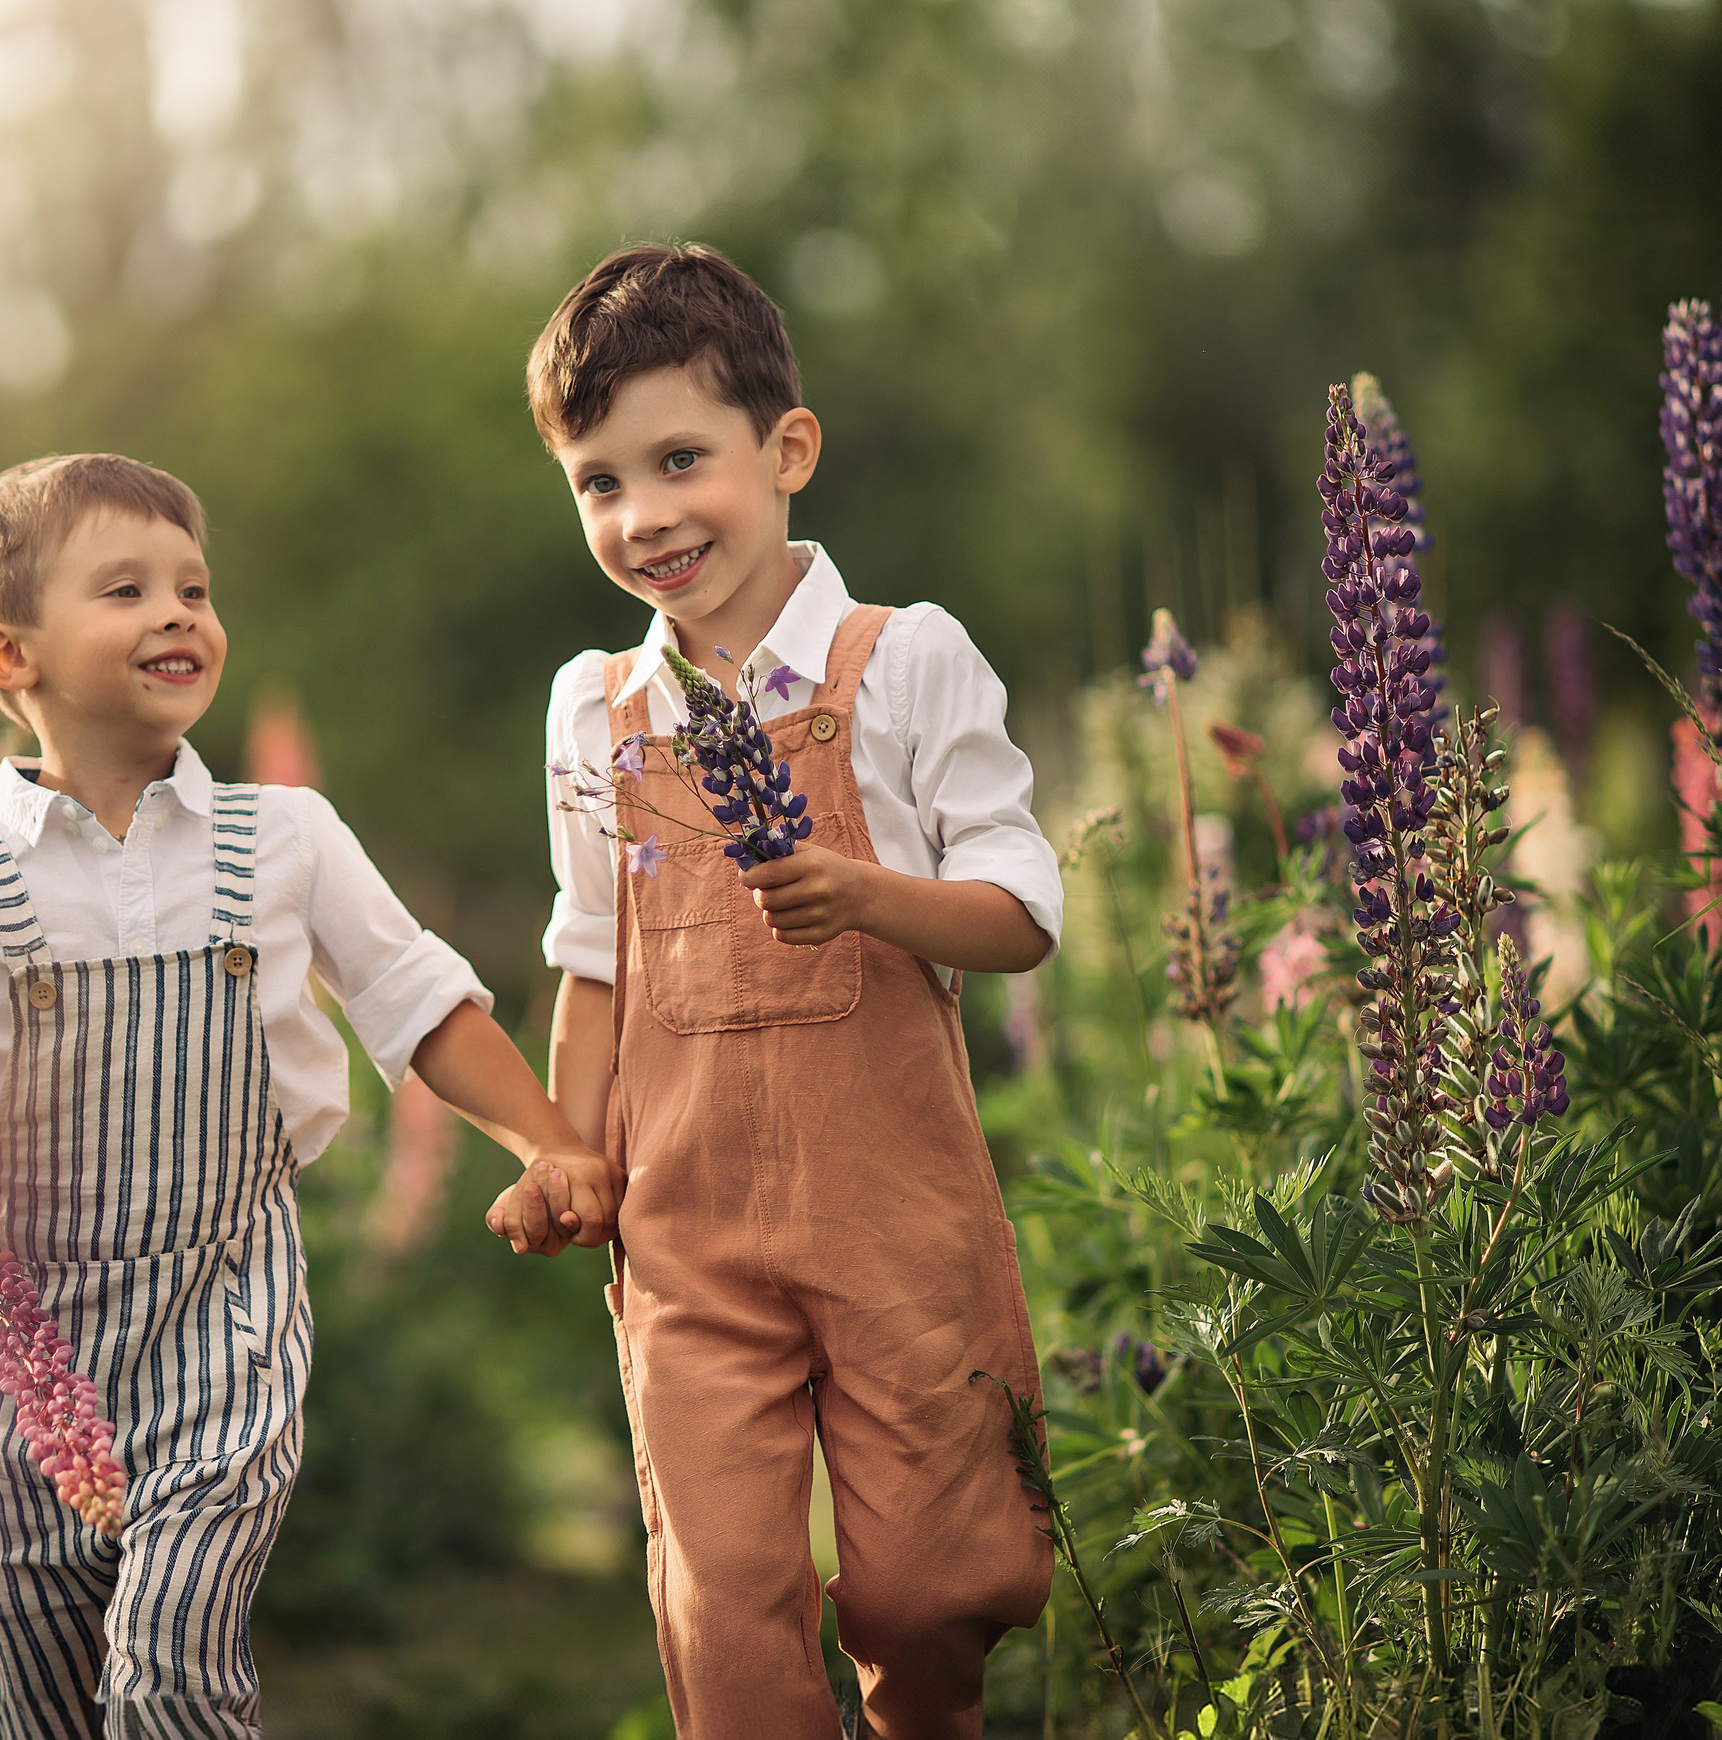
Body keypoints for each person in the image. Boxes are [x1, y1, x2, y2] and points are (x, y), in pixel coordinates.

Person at [0, 453, 615, 1739]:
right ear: (8, 655)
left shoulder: (284, 836)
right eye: (126, 588)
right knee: (53, 1690)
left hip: (225, 1318)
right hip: (19, 1338)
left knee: (170, 1671)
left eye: (194, 587)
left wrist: (544, 1137)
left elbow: (419, 1005)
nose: (178, 613)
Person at [518, 243, 1061, 1738]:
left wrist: (866, 895)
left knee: (930, 1580)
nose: (643, 516)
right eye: (599, 481)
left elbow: (1021, 913)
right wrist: (566, 1152)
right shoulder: (597, 711)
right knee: (727, 1599)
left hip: (892, 1214)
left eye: (679, 460)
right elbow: (590, 958)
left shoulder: (904, 663)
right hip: (687, 1229)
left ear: (788, 451)